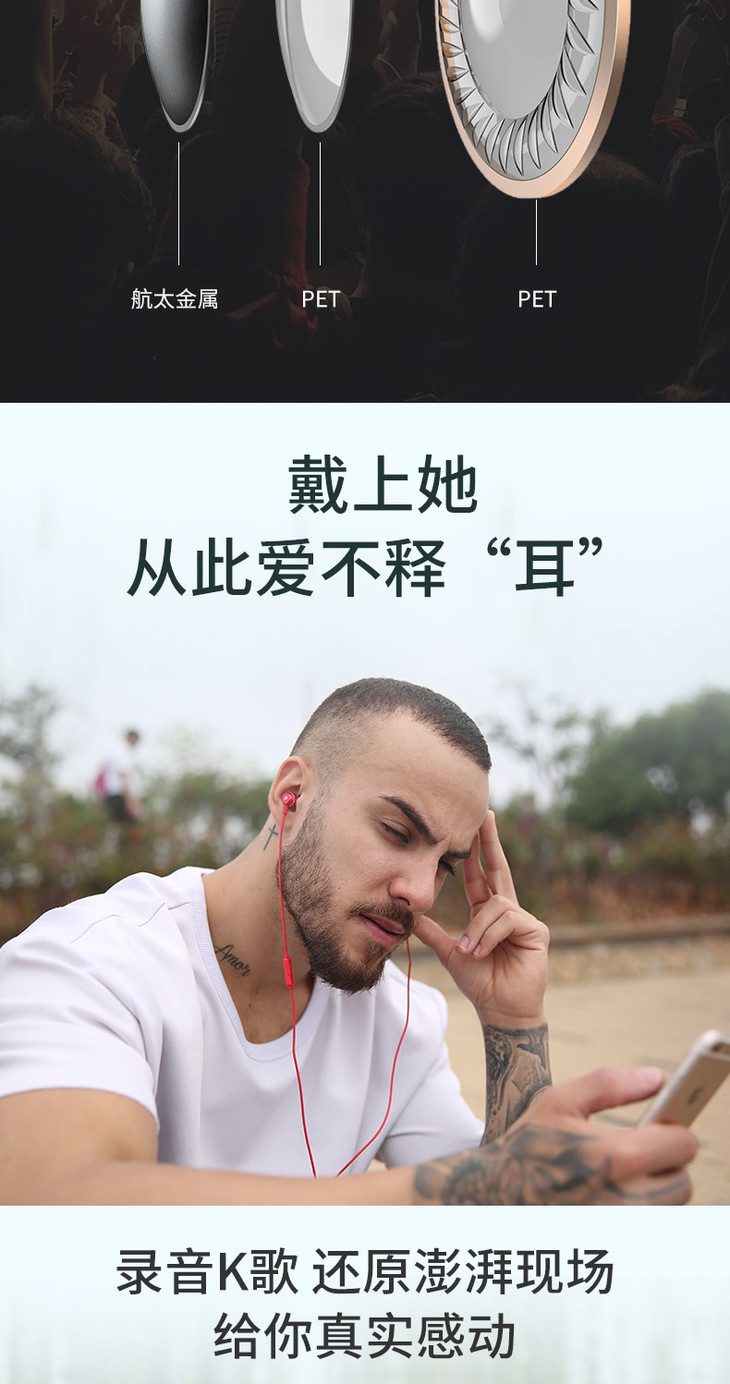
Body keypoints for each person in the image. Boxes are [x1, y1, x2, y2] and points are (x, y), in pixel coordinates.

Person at [0, 679, 696, 1205]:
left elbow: (501, 1217)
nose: (421, 892)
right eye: (397, 832)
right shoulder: (88, 964)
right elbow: (56, 1203)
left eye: (446, 865)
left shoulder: (400, 1022)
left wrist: (513, 1021)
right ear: (292, 795)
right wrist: (470, 1190)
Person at [98, 727, 142, 821]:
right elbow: (124, 778)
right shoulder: (123, 753)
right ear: (132, 739)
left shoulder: (114, 750)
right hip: (120, 796)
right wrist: (130, 801)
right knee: (129, 824)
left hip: (112, 794)